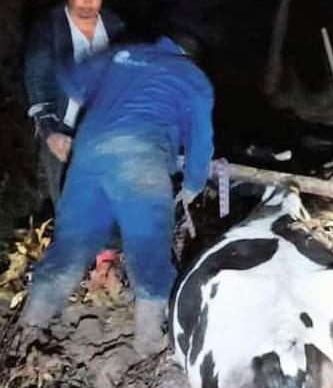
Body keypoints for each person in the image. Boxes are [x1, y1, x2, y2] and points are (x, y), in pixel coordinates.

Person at [19, 32, 215, 357]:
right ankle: (148, 339)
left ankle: (29, 328)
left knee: (72, 243)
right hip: (141, 157)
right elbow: (201, 140)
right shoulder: (192, 76)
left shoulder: (123, 53)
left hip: (88, 152)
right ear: (189, 56)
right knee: (148, 247)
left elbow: (72, 79)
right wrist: (193, 184)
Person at [24, 0, 125, 209]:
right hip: (64, 133)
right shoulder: (48, 28)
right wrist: (49, 132)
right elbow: (37, 79)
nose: (88, 3)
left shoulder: (116, 26)